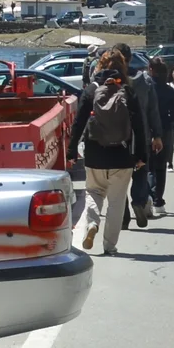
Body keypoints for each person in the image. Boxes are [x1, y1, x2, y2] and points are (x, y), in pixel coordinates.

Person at [72, 45, 150, 256]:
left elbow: (78, 123)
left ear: (100, 65)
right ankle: (110, 246)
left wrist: (71, 151)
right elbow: (140, 127)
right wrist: (142, 156)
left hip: (95, 154)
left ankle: (92, 224)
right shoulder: (128, 91)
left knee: (93, 193)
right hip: (123, 156)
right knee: (116, 202)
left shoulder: (91, 90)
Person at [139, 54, 174, 220]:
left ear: (151, 70)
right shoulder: (170, 90)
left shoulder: (146, 88)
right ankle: (158, 200)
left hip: (146, 130)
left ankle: (147, 195)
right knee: (161, 167)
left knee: (146, 166)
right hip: (165, 131)